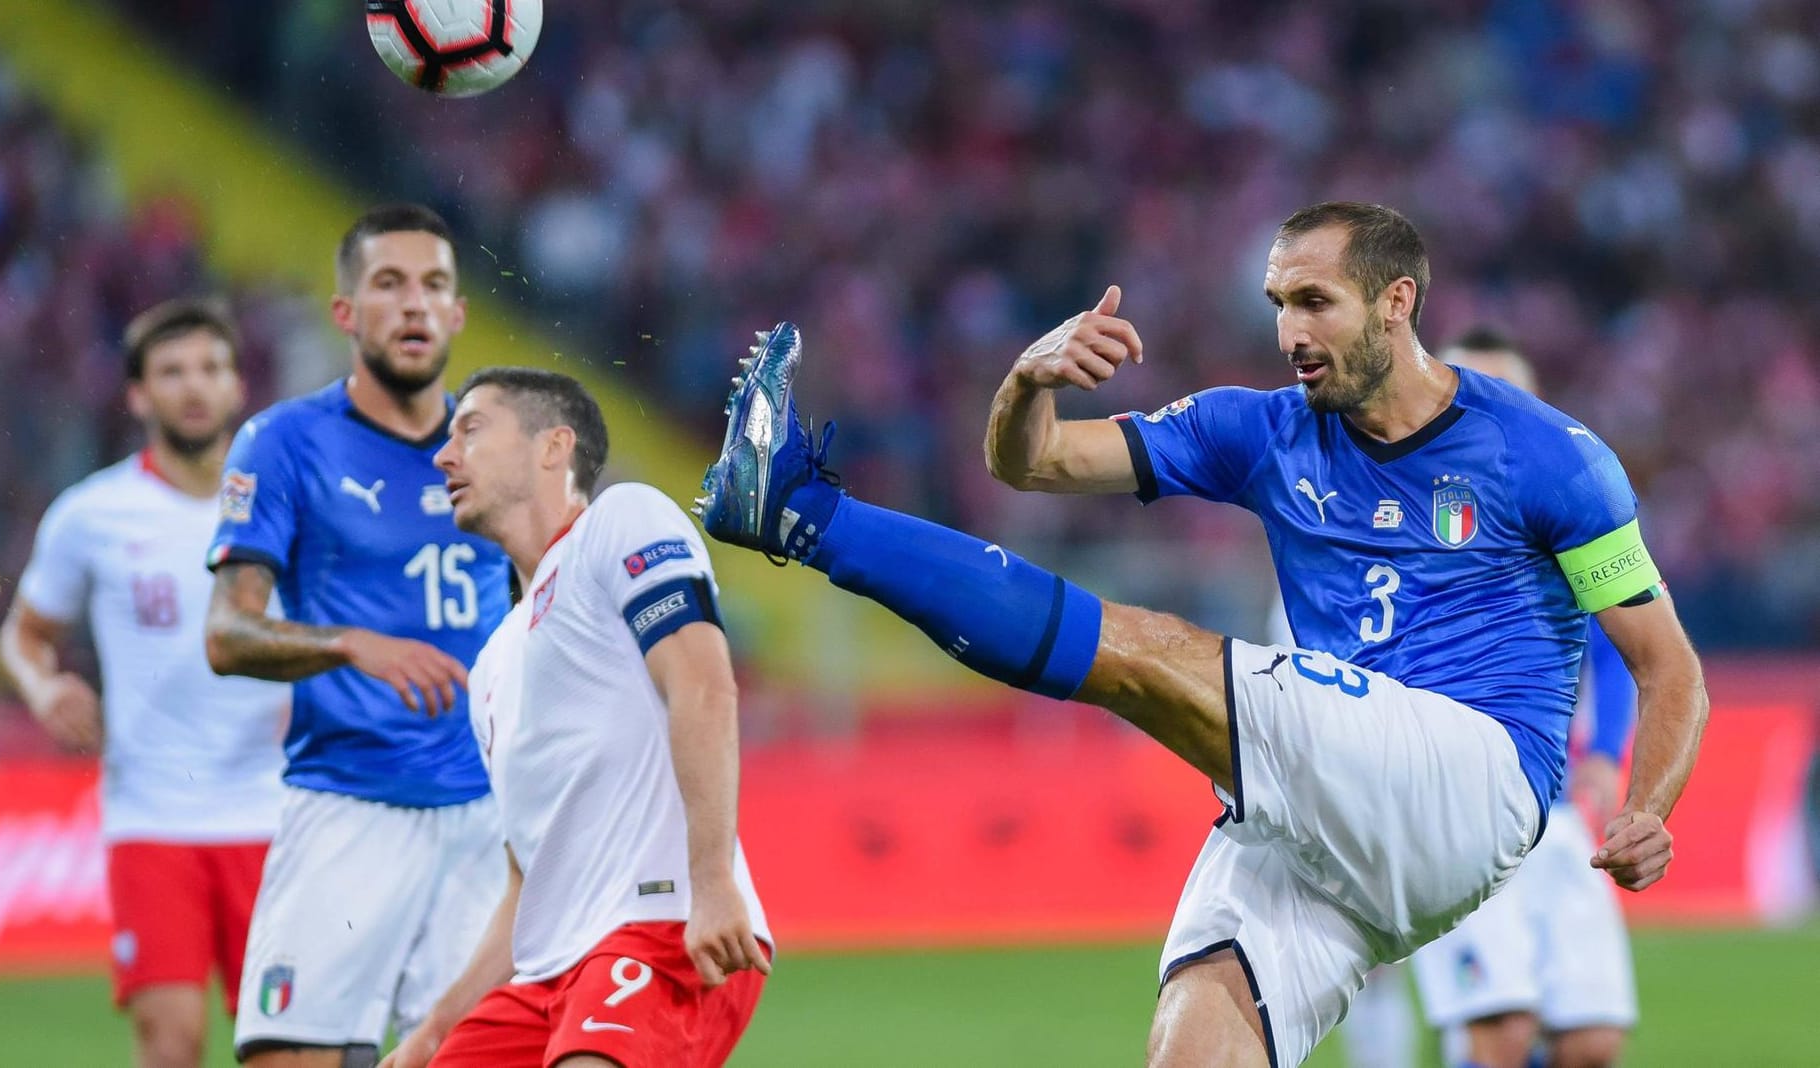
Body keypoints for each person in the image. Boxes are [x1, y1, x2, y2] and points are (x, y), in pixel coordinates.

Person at [692, 202, 1707, 1067]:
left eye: (1315, 301)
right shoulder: (1259, 430)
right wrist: (1027, 386)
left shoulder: (1548, 457)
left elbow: (1667, 667)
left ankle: (794, 513)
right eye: (1277, 304)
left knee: (1147, 652)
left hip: (1475, 777)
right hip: (1322, 821)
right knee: (1195, 1039)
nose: (1288, 332)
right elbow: (1031, 464)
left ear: (1396, 302)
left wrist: (1648, 803)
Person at [375, 367, 772, 1068]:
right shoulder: (493, 663)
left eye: (469, 429)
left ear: (552, 446)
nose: (443, 455)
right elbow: (528, 878)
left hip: (662, 935)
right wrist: (436, 1031)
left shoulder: (621, 522)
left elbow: (705, 686)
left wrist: (713, 884)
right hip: (545, 978)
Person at [204, 203, 513, 1067]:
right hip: (347, 806)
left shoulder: (501, 450)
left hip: (485, 820)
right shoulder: (282, 444)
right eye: (388, 285)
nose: (414, 305)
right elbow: (227, 632)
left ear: (456, 313)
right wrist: (350, 644)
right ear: (346, 312)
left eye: (434, 287)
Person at [0, 297, 290, 1068]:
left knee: (287, 1053)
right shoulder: (93, 513)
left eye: (210, 368)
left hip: (279, 811)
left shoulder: (290, 504)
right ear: (137, 395)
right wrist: (44, 687)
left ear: (236, 386)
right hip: (153, 816)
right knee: (171, 1043)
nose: (193, 386)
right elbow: (24, 634)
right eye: (171, 371)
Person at [1406, 328, 1640, 1068]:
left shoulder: (1565, 507)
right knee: (1501, 1029)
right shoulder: (1406, 512)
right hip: (1456, 806)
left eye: (1507, 393)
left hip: (1554, 803)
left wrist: (1605, 753)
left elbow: (1617, 645)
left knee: (1591, 1039)